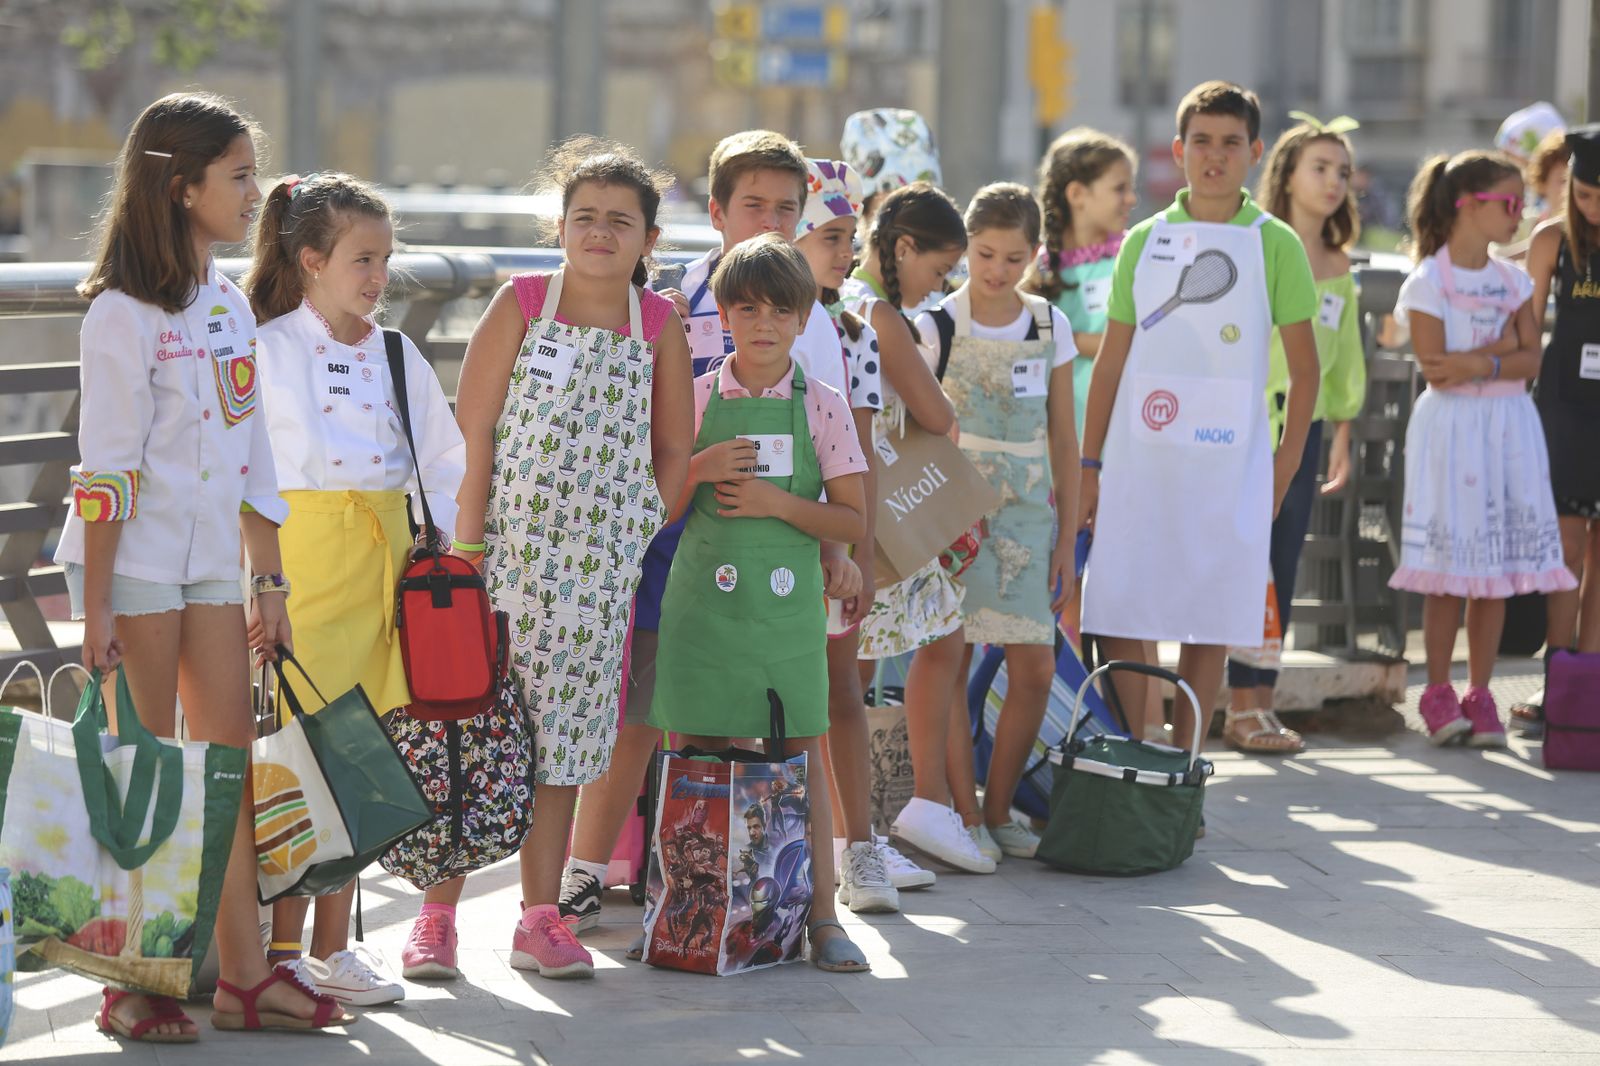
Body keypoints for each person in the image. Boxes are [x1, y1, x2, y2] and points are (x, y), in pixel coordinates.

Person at [60, 91, 351, 1038]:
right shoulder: (117, 314)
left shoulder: (228, 303)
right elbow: (103, 475)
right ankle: (129, 979)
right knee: (143, 769)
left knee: (224, 764)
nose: (253, 193)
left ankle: (243, 974)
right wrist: (95, 609)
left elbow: (253, 449)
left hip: (213, 571)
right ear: (181, 187)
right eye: (237, 176)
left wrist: (267, 579)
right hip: (133, 569)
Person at [557, 129, 867, 933]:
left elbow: (834, 471)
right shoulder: (661, 300)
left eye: (786, 206)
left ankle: (793, 906)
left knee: (783, 733)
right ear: (718, 209)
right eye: (752, 203)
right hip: (671, 552)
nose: (768, 217)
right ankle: (603, 880)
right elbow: (640, 444)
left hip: (778, 571)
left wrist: (833, 548)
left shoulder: (813, 332)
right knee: (643, 711)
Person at [453, 137, 693, 978]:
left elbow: (675, 446)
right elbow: (472, 430)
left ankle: (539, 916)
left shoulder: (658, 323)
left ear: (648, 241)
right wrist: (470, 543)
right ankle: (438, 916)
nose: (599, 232)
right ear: (559, 227)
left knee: (562, 744)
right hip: (506, 562)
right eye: (584, 216)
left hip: (598, 575)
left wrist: (635, 528)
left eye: (619, 221)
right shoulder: (521, 303)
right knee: (471, 727)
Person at [247, 172, 466, 998]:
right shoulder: (266, 349)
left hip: (387, 577)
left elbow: (444, 461)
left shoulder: (399, 353)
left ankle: (333, 950)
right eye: (362, 259)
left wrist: (438, 544)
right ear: (309, 260)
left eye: (386, 258)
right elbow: (247, 476)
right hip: (298, 573)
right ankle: (278, 952)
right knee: (298, 757)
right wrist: (255, 586)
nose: (379, 277)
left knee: (365, 753)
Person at [1077, 81, 1321, 756]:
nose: (1215, 156)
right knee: (1121, 602)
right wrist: (1089, 465)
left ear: (1255, 152)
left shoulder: (1277, 245)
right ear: (1179, 151)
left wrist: (1283, 467)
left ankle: (1181, 764)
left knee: (1208, 615)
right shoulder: (1143, 242)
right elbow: (1111, 364)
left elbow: (1307, 374)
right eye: (1203, 142)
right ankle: (1141, 748)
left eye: (1231, 143)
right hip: (1138, 458)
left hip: (1230, 464)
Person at [650, 234, 872, 973]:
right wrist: (702, 467)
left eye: (782, 309)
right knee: (690, 755)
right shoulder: (698, 393)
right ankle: (682, 909)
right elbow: (653, 505)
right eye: (746, 308)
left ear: (805, 317)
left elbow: (850, 520)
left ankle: (822, 918)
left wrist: (780, 504)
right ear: (723, 314)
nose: (764, 323)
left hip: (783, 614)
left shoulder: (825, 405)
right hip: (702, 610)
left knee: (800, 755)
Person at [916, 183, 1079, 860]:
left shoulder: (1049, 324)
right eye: (985, 254)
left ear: (1035, 254)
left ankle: (999, 805)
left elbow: (1064, 437)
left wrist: (1067, 536)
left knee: (1035, 666)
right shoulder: (939, 324)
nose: (998, 270)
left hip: (1028, 514)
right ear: (965, 249)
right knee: (950, 661)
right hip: (956, 510)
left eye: (1014, 258)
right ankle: (960, 811)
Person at [1391, 148, 1575, 746]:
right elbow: (1436, 369)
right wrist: (1493, 358)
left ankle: (1482, 692)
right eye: (1507, 203)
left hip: (1506, 429)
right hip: (1451, 433)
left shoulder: (1514, 280)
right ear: (1465, 205)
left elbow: (1529, 361)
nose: (1518, 214)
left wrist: (1480, 359)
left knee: (1491, 570)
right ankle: (1439, 693)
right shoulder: (1427, 281)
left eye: (1523, 204)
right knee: (1447, 573)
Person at [840, 184, 997, 873]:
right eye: (938, 270)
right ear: (902, 247)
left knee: (854, 659)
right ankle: (924, 806)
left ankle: (864, 832)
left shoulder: (839, 298)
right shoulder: (879, 312)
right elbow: (934, 414)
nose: (942, 287)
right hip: (894, 509)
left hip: (859, 503)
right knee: (941, 640)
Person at [792, 156, 926, 910]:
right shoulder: (731, 308)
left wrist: (862, 552)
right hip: (759, 538)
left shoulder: (852, 329)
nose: (846, 253)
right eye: (831, 236)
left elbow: (863, 451)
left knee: (843, 686)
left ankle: (859, 847)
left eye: (852, 237)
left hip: (834, 540)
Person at [1223, 114, 1369, 755]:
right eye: (1320, 167)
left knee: (1282, 562)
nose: (1334, 181)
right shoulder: (1252, 245)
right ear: (1285, 173)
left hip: (1301, 431)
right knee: (1240, 560)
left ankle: (1261, 700)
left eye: (1342, 171)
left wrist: (1341, 426)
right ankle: (1234, 702)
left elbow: (1342, 364)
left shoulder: (1339, 265)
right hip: (1238, 426)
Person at [1515, 125, 1600, 729]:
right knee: (1565, 548)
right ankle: (1558, 675)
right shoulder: (1551, 240)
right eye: (1587, 194)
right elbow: (1524, 329)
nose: (1594, 207)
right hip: (1565, 407)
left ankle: (1589, 681)